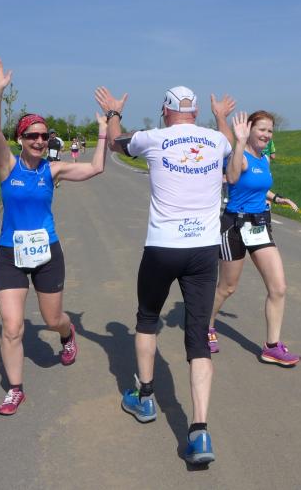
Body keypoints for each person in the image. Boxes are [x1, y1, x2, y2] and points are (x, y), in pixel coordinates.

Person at [95, 84, 234, 465]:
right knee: (198, 339)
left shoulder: (153, 138)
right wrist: (221, 117)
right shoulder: (215, 140)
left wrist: (114, 112)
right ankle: (200, 432)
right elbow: (228, 144)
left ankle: (145, 398)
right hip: (204, 250)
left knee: (147, 320)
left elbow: (116, 144)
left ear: (165, 111)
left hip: (163, 247)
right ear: (195, 112)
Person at [0, 57, 108, 415]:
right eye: (32, 136)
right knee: (12, 328)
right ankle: (15, 390)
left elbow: (96, 167)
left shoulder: (52, 171)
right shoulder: (7, 166)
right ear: (20, 139)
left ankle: (68, 335)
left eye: (44, 136)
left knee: (53, 319)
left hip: (46, 254)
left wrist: (103, 130)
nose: (39, 141)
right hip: (10, 254)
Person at [207, 111, 301, 366]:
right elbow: (233, 177)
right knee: (227, 288)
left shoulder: (263, 159)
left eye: (270, 131)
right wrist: (238, 142)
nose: (266, 135)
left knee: (278, 288)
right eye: (261, 129)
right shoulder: (240, 157)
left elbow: (259, 187)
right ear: (248, 130)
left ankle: (272, 347)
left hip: (259, 225)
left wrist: (277, 198)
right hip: (234, 226)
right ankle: (206, 324)